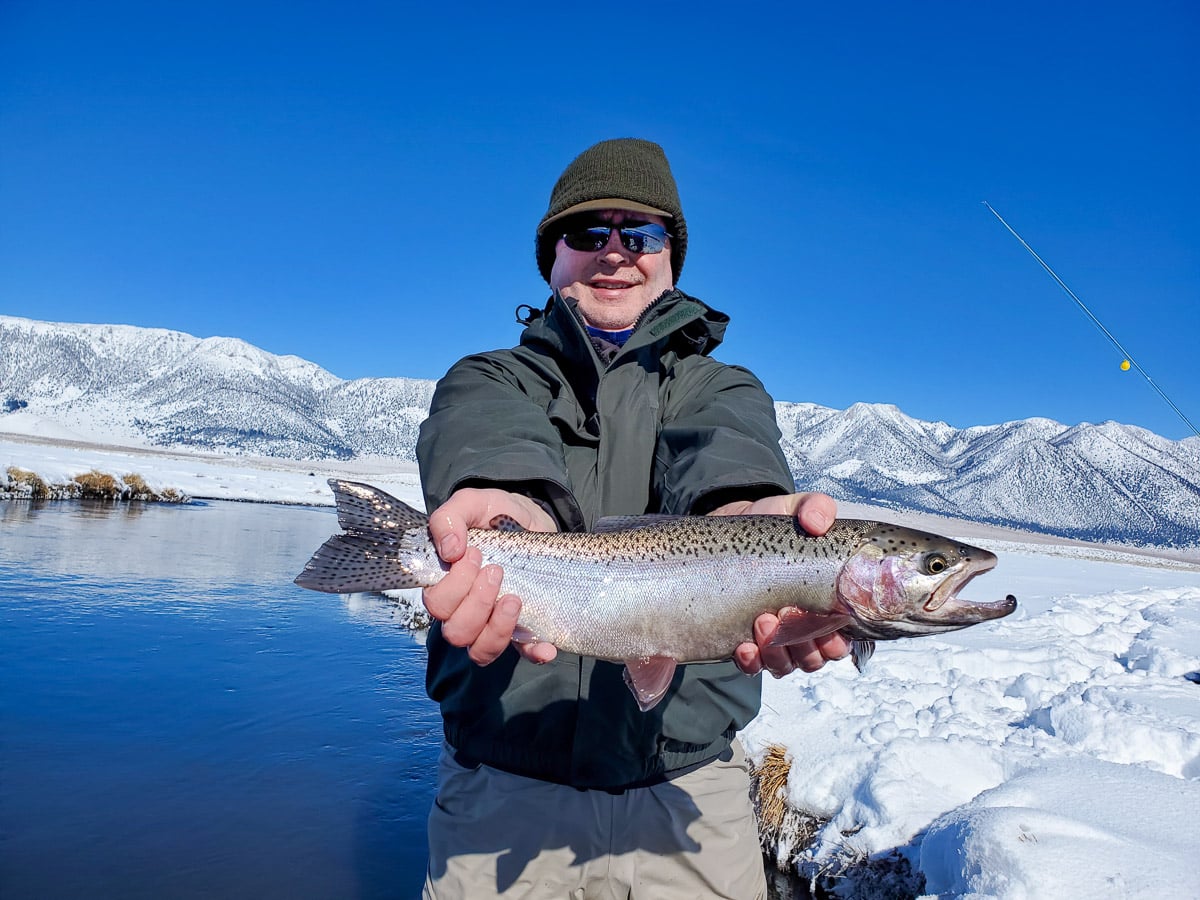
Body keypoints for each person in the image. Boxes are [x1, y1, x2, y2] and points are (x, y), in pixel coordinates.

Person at [415, 138, 849, 899]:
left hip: (691, 800)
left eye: (641, 234)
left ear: (670, 256)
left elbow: (724, 457)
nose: (615, 253)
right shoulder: (489, 377)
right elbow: (487, 439)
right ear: (552, 257)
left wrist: (743, 517)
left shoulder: (723, 387)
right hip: (503, 799)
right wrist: (506, 504)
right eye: (587, 234)